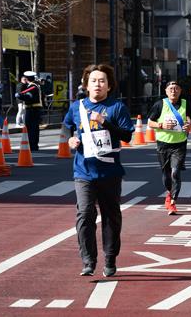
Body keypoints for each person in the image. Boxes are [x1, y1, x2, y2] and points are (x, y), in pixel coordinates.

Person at [65, 63, 134, 278]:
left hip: (109, 172)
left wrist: (105, 122)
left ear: (109, 86)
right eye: (93, 81)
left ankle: (110, 257)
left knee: (110, 217)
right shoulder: (77, 107)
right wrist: (72, 140)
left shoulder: (117, 108)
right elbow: (69, 126)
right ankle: (88, 260)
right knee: (84, 214)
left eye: (102, 81)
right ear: (86, 84)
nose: (97, 84)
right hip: (83, 170)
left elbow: (127, 135)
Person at [147, 80, 191, 215]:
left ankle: (173, 202)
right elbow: (150, 122)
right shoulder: (160, 104)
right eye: (170, 89)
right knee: (166, 174)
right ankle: (169, 193)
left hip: (180, 144)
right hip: (163, 144)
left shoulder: (185, 104)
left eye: (176, 88)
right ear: (166, 91)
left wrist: (190, 125)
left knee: (175, 172)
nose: (173, 91)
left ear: (180, 91)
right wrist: (161, 125)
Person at [15, 71, 43, 151]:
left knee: (32, 128)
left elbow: (28, 97)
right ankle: (33, 145)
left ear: (27, 79)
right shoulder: (32, 86)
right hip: (33, 109)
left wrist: (20, 96)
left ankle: (33, 145)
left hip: (33, 109)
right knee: (32, 128)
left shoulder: (33, 87)